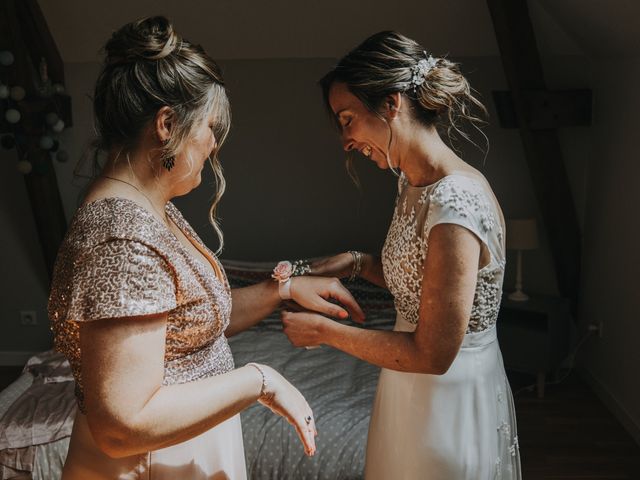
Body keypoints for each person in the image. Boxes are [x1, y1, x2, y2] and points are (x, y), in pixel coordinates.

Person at [48, 16, 364, 480]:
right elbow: (123, 425)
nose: (215, 147)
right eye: (212, 129)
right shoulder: (121, 236)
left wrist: (283, 290)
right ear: (167, 124)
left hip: (180, 446)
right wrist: (260, 381)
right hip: (153, 461)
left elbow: (185, 327)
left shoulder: (151, 208)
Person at [281, 31, 522, 479]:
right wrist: (357, 262)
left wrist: (324, 331)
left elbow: (433, 354)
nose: (346, 140)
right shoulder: (413, 185)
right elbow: (422, 286)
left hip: (446, 398)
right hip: (407, 390)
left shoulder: (455, 202)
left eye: (348, 119)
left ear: (391, 104)